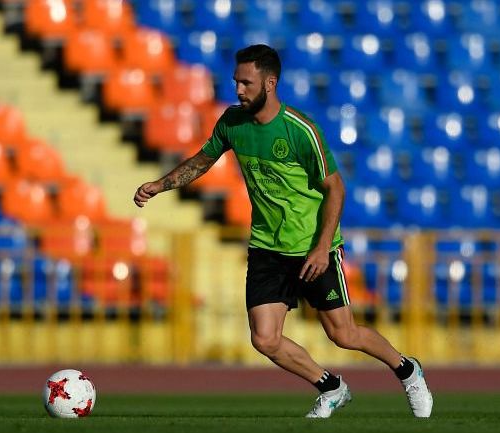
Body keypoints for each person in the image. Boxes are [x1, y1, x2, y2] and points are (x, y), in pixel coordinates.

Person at [133, 44, 433, 418]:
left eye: (246, 82)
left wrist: (323, 248)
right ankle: (332, 388)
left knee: (343, 335)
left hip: (312, 248)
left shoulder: (300, 130)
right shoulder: (232, 123)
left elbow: (335, 188)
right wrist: (160, 185)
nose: (238, 89)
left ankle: (407, 370)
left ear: (270, 83)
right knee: (264, 339)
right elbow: (202, 160)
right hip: (266, 247)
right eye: (235, 82)